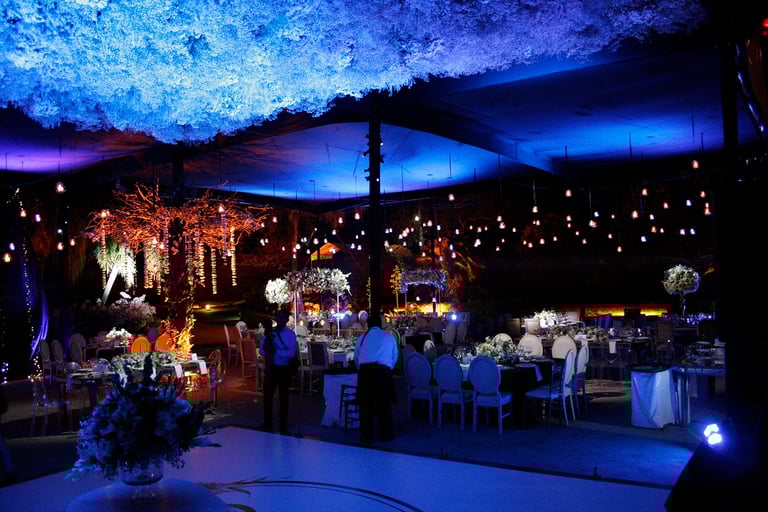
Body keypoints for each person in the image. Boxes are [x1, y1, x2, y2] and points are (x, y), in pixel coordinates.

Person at [354, 314, 398, 444]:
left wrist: (361, 370)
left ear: (368, 325)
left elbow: (356, 357)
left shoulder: (362, 338)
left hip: (365, 371)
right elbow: (394, 356)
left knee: (365, 405)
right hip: (383, 371)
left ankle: (366, 435)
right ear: (381, 324)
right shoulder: (389, 337)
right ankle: (385, 433)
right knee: (384, 403)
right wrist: (389, 369)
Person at [259, 310, 297, 434]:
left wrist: (277, 351)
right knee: (267, 397)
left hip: (283, 369)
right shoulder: (270, 333)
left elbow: (291, 353)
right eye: (278, 317)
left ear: (286, 320)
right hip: (271, 368)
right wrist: (267, 348)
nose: (280, 320)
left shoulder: (290, 335)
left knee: (283, 397)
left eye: (282, 317)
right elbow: (262, 351)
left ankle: (283, 424)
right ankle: (267, 421)